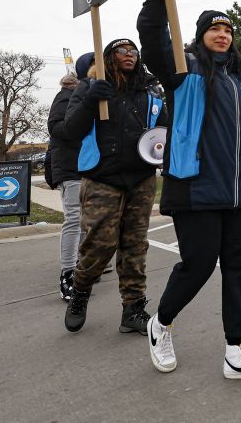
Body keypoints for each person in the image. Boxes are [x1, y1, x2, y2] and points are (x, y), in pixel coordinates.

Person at [137, 0, 241, 382]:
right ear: (201, 38)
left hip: (240, 194)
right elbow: (151, 36)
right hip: (197, 190)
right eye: (213, 30)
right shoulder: (184, 73)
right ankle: (160, 323)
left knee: (238, 269)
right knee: (198, 266)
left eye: (227, 31)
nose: (222, 35)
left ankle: (236, 352)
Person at [61, 38, 165, 335]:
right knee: (100, 244)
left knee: (135, 245)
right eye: (122, 51)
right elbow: (69, 130)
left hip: (141, 178)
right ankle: (80, 291)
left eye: (133, 51)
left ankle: (133, 308)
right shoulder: (91, 86)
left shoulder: (150, 91)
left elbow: (162, 131)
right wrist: (92, 100)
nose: (129, 55)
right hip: (102, 177)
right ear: (109, 57)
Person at [45, 52, 95, 301]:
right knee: (75, 219)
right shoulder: (66, 97)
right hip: (72, 167)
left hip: (92, 166)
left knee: (89, 220)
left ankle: (84, 264)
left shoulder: (95, 94)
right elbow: (56, 129)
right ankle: (68, 273)